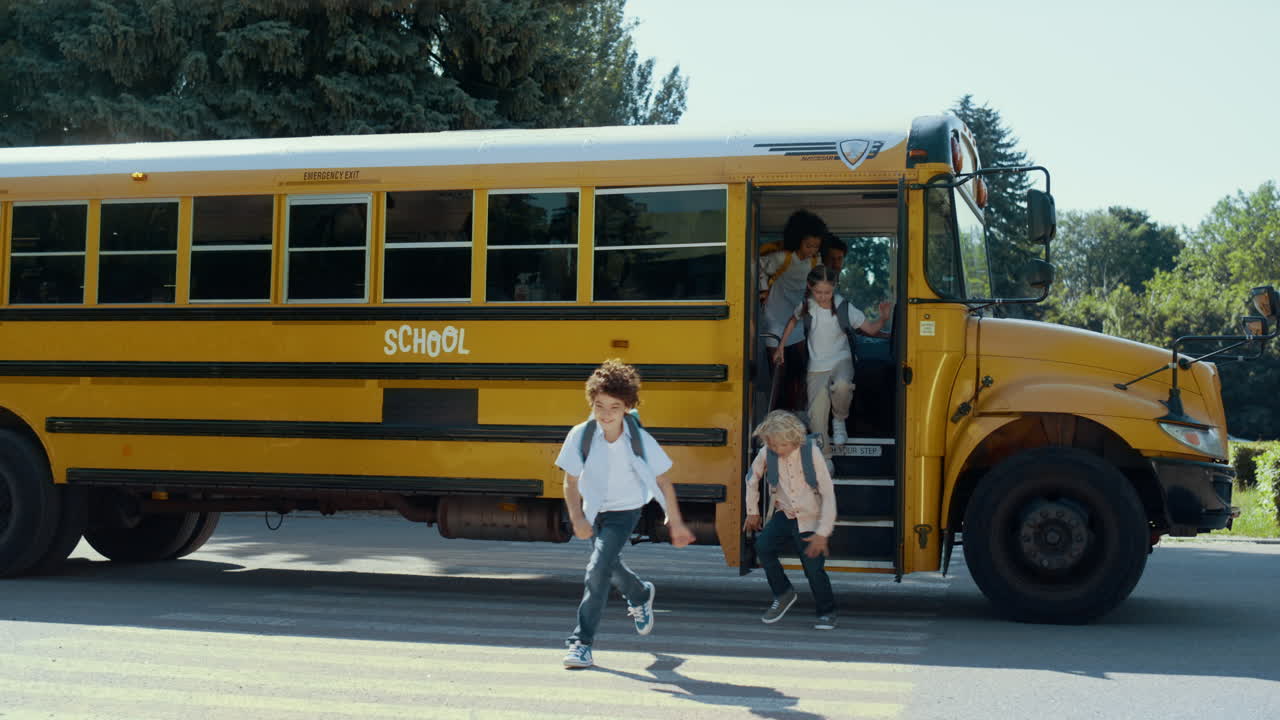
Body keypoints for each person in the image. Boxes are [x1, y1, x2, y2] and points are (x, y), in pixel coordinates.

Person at [556, 359, 696, 669]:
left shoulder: (638, 438)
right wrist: (577, 517)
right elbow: (570, 480)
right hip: (594, 511)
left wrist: (674, 518)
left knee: (597, 571)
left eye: (614, 408)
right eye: (599, 406)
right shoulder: (582, 434)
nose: (605, 414)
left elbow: (663, 479)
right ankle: (639, 593)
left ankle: (581, 643)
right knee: (608, 566)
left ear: (628, 407)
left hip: (625, 510)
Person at [772, 266, 892, 448]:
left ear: (835, 287)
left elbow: (870, 329)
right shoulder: (806, 305)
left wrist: (882, 319)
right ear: (810, 287)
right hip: (816, 367)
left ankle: (839, 420)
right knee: (816, 416)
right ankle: (825, 459)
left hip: (841, 360)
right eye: (818, 292)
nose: (822, 296)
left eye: (827, 292)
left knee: (842, 386)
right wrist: (781, 346)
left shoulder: (844, 307)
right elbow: (793, 320)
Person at [742, 410, 839, 629]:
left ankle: (827, 611)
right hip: (784, 514)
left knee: (813, 568)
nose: (777, 450)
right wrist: (752, 511)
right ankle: (784, 593)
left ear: (794, 440)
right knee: (763, 547)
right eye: (773, 445)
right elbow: (752, 478)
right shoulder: (768, 452)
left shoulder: (811, 453)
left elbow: (828, 492)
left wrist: (823, 532)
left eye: (782, 446)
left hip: (810, 518)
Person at [760, 210, 827, 408]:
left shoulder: (816, 261)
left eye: (816, 246)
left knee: (798, 371)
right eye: (808, 246)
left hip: (795, 320)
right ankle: (776, 414)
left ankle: (795, 412)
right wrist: (762, 291)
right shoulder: (783, 258)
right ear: (797, 241)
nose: (811, 251)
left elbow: (817, 283)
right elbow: (757, 266)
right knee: (778, 373)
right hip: (774, 319)